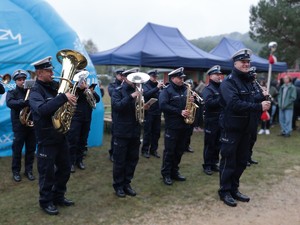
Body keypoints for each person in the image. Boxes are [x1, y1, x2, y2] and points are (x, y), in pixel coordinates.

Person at [218, 49, 271, 207]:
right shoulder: (229, 82)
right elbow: (234, 104)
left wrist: (261, 96)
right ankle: (225, 191)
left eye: (248, 62)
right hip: (232, 128)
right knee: (229, 161)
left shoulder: (248, 81)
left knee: (242, 161)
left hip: (247, 128)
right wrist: (258, 106)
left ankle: (234, 188)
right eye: (243, 62)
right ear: (235, 63)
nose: (246, 64)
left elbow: (251, 98)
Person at [29, 56, 77, 215]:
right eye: (49, 71)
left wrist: (78, 91)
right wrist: (63, 97)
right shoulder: (35, 91)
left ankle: (59, 196)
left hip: (60, 136)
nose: (52, 73)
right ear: (39, 73)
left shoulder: (55, 86)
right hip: (46, 138)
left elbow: (64, 99)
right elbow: (42, 109)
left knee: (64, 169)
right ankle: (45, 202)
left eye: (51, 70)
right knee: (47, 173)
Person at [159, 67, 193, 185]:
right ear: (173, 78)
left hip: (184, 125)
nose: (182, 80)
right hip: (172, 125)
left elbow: (188, 103)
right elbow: (163, 105)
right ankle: (166, 174)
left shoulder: (185, 89)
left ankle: (175, 171)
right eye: (180, 78)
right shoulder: (166, 90)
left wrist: (192, 100)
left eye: (183, 78)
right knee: (170, 151)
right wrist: (179, 112)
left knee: (179, 150)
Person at [111, 68, 141, 198]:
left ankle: (127, 183)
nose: (134, 81)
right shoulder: (117, 91)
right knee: (120, 161)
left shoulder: (138, 91)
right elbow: (117, 106)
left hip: (135, 130)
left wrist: (144, 106)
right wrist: (131, 97)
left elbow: (137, 110)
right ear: (124, 78)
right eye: (132, 77)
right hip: (122, 131)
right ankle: (118, 186)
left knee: (133, 159)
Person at [6, 69, 36, 182]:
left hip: (31, 124)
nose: (22, 81)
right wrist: (24, 103)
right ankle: (16, 172)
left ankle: (28, 170)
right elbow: (10, 103)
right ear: (15, 81)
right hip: (19, 126)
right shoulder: (12, 92)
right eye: (19, 80)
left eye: (23, 79)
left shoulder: (32, 91)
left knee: (31, 149)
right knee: (17, 150)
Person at [67, 70, 100, 173]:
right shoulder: (73, 89)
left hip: (86, 118)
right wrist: (81, 90)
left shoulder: (88, 89)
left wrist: (92, 91)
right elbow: (73, 99)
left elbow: (97, 100)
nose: (83, 80)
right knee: (73, 140)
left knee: (83, 140)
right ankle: (71, 162)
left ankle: (79, 160)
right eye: (81, 78)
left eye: (84, 78)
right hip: (76, 118)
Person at [201, 65, 222, 176]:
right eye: (216, 74)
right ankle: (207, 165)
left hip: (220, 119)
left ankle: (214, 163)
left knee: (218, 143)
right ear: (210, 76)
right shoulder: (208, 89)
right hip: (211, 119)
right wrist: (221, 98)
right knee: (210, 143)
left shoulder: (221, 87)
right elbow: (209, 104)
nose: (219, 76)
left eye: (219, 74)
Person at [140, 69, 163, 158]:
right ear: (149, 76)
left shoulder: (158, 86)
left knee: (156, 132)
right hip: (149, 113)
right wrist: (157, 88)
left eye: (156, 76)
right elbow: (146, 94)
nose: (155, 78)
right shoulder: (145, 85)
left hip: (157, 112)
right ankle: (145, 150)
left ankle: (154, 150)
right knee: (147, 132)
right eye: (153, 76)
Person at [107, 68, 125, 162]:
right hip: (116, 113)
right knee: (115, 134)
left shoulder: (126, 85)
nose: (122, 77)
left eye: (123, 75)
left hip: (125, 113)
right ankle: (112, 153)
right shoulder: (112, 85)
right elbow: (112, 93)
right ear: (116, 76)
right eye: (120, 75)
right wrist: (122, 86)